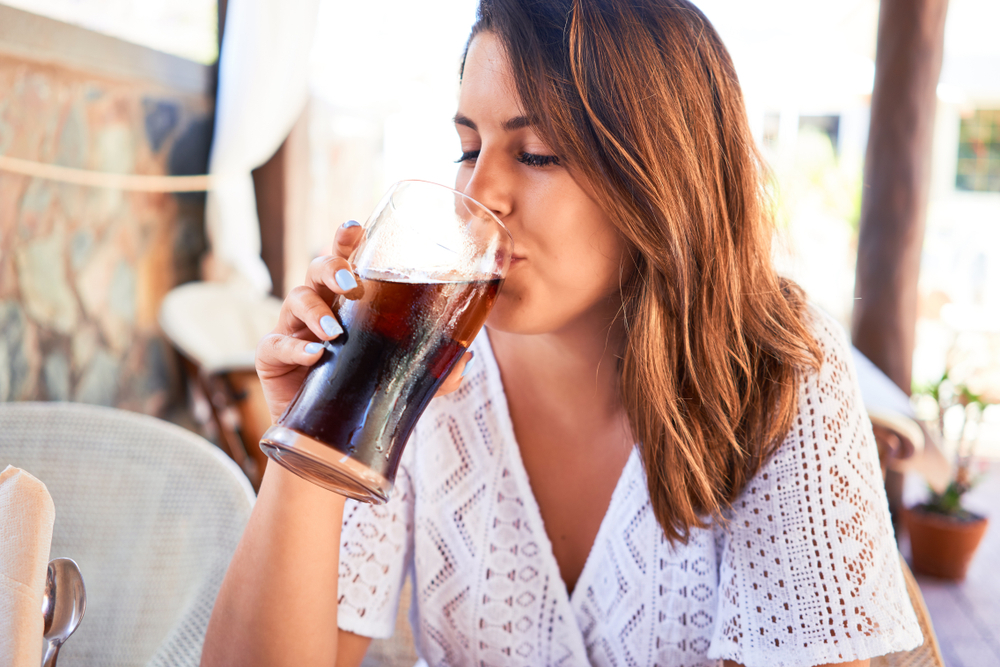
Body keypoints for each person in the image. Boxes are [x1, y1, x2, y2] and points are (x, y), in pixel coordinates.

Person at [201, 1, 923, 665]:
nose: (478, 194)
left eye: (537, 153)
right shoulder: (425, 359)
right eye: (468, 146)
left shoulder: (779, 366)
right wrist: (316, 432)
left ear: (661, 175)